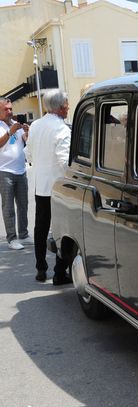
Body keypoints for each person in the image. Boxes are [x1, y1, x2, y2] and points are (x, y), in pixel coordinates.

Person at [24, 89, 72, 284]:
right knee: (64, 230)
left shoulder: (35, 125)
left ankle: (40, 268)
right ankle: (60, 273)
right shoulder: (62, 128)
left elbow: (28, 153)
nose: (68, 107)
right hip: (59, 187)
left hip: (41, 185)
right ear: (61, 107)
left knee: (40, 228)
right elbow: (65, 161)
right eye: (67, 103)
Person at [0, 97, 31, 250]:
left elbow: (24, 142)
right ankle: (12, 238)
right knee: (8, 207)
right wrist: (9, 132)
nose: (10, 112)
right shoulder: (4, 127)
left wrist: (27, 133)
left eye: (11, 109)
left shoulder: (15, 125)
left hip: (21, 170)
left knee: (23, 204)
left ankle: (24, 235)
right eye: (6, 109)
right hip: (4, 171)